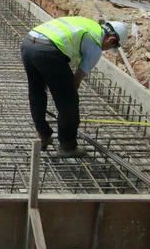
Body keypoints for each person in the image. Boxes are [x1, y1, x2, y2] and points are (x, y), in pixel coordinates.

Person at [21, 17, 129, 158]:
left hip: (28, 42)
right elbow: (76, 79)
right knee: (69, 100)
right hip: (48, 50)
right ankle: (67, 146)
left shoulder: (88, 24)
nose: (107, 50)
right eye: (110, 48)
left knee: (36, 92)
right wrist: (66, 103)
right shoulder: (95, 45)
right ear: (112, 40)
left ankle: (43, 135)